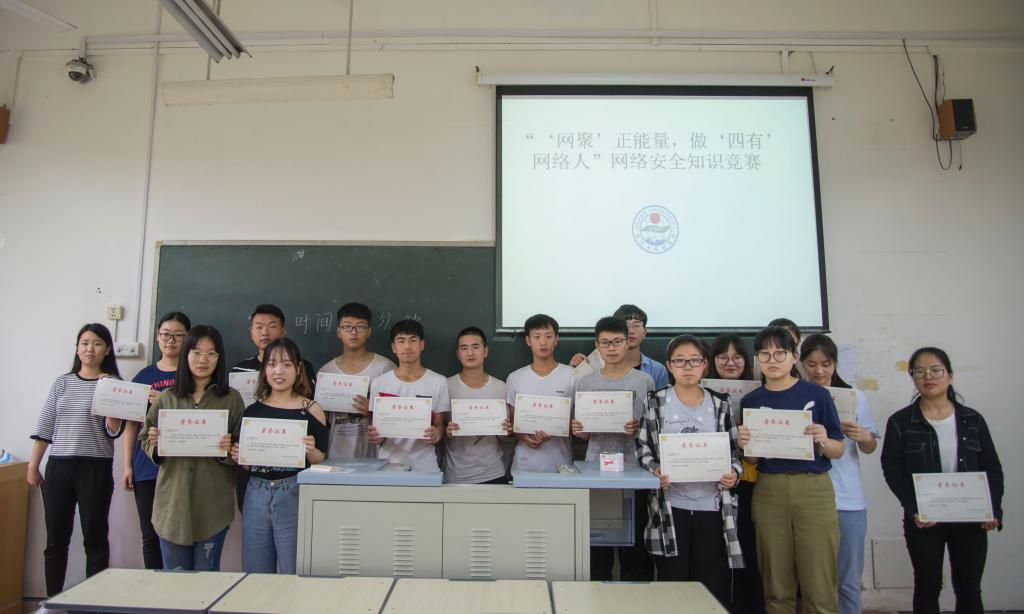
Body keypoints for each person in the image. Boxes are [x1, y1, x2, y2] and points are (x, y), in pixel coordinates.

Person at [881, 347, 1003, 614]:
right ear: (913, 377)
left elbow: (992, 467)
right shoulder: (901, 422)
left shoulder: (973, 420)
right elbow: (892, 468)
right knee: (927, 585)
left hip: (970, 517)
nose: (928, 377)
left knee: (969, 587)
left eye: (936, 370)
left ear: (950, 375)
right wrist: (914, 507)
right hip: (925, 518)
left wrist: (992, 508)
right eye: (920, 371)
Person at [740, 325, 844, 614]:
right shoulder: (751, 401)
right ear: (757, 360)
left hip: (813, 489)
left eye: (780, 353)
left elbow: (838, 449)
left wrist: (823, 439)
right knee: (776, 583)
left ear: (794, 356)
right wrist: (746, 445)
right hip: (769, 490)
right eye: (764, 354)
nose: (772, 360)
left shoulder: (818, 395)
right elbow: (752, 461)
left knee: (819, 584)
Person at [637, 335, 744, 606]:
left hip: (712, 505)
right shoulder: (656, 402)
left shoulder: (720, 404)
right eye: (680, 361)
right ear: (669, 366)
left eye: (694, 361)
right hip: (671, 505)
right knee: (672, 582)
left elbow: (735, 452)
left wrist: (733, 473)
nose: (687, 367)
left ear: (705, 365)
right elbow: (643, 449)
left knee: (709, 582)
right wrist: (655, 470)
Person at [28, 323, 125, 596]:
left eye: (97, 343)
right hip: (59, 466)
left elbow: (113, 431)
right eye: (84, 343)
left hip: (95, 467)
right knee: (56, 539)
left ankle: (93, 603)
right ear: (77, 348)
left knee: (95, 539)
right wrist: (33, 465)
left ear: (107, 350)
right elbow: (46, 426)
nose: (89, 348)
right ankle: (52, 601)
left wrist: (111, 410)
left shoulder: (115, 385)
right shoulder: (62, 383)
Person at [142, 325, 245, 571]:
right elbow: (145, 437)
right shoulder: (167, 397)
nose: (203, 360)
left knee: (207, 581)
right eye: (196, 352)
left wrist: (230, 450)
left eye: (211, 354)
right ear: (186, 354)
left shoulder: (231, 399)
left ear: (219, 358)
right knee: (175, 583)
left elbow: (243, 447)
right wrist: (155, 443)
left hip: (212, 506)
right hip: (172, 505)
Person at [231, 338, 327, 574]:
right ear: (264, 370)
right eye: (272, 364)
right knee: (255, 572)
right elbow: (247, 465)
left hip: (294, 492)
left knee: (294, 571)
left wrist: (311, 450)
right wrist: (241, 457)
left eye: (286, 364)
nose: (279, 371)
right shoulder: (252, 411)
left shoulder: (311, 409)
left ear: (298, 368)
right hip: (256, 492)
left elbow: (321, 459)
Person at [571, 316, 654, 581]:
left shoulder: (644, 381)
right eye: (605, 343)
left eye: (617, 341)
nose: (611, 347)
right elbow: (584, 435)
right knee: (598, 547)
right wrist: (579, 429)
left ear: (627, 343)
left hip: (635, 471)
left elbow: (653, 430)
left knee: (636, 549)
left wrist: (638, 428)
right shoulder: (586, 382)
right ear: (597, 346)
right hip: (596, 471)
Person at [801, 333, 878, 614]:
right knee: (814, 581)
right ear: (801, 363)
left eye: (826, 364)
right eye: (811, 364)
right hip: (809, 498)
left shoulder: (855, 397)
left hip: (847, 498)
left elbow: (870, 447)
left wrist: (863, 436)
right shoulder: (796, 397)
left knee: (848, 580)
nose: (819, 371)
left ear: (835, 363)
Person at [122, 311, 191, 570]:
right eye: (166, 334)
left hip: (181, 466)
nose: (171, 340)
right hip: (146, 466)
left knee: (179, 533)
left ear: (188, 339)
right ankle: (154, 588)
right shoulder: (144, 376)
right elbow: (131, 424)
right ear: (157, 337)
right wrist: (127, 465)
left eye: (178, 335)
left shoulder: (193, 376)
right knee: (149, 535)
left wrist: (165, 398)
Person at [232, 304, 316, 511]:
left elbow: (308, 409)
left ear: (283, 330)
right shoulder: (238, 370)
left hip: (291, 466)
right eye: (259, 326)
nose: (265, 332)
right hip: (254, 459)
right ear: (251, 331)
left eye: (272, 326)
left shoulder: (304, 366)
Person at [708, 333, 763, 614]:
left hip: (751, 482)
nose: (730, 363)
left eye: (737, 357)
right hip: (714, 484)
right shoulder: (702, 396)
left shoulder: (760, 395)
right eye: (723, 357)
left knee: (749, 554)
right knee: (717, 556)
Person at [366, 320, 448, 471]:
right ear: (393, 347)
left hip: (425, 464)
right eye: (401, 341)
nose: (407, 346)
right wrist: (376, 435)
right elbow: (376, 427)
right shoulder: (379, 383)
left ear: (422, 345)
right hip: (388, 463)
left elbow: (439, 425)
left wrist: (437, 433)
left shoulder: (438, 382)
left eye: (413, 340)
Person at [319, 302, 395, 459]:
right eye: (347, 326)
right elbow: (321, 420)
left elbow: (397, 414)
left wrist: (373, 409)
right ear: (338, 332)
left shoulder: (385, 367)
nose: (353, 332)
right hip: (335, 453)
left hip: (374, 454)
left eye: (360, 327)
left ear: (369, 331)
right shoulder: (326, 372)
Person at [507, 314, 578, 474]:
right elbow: (512, 421)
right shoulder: (515, 377)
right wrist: (524, 437)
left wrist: (556, 429)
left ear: (556, 339)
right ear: (528, 340)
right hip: (524, 465)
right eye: (537, 336)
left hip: (561, 464)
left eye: (548, 336)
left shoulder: (572, 375)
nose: (543, 342)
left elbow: (579, 423)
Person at [443, 326, 511, 484]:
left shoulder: (500, 387)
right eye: (464, 348)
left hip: (493, 471)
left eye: (475, 347)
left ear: (485, 351)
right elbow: (439, 428)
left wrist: (506, 430)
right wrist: (446, 431)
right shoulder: (446, 386)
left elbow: (503, 436)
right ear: (458, 354)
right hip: (456, 473)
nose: (470, 353)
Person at [569, 305, 669, 390]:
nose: (631, 331)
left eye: (636, 325)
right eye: (625, 325)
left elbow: (660, 405)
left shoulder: (657, 370)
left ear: (644, 332)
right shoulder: (592, 363)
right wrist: (572, 369)